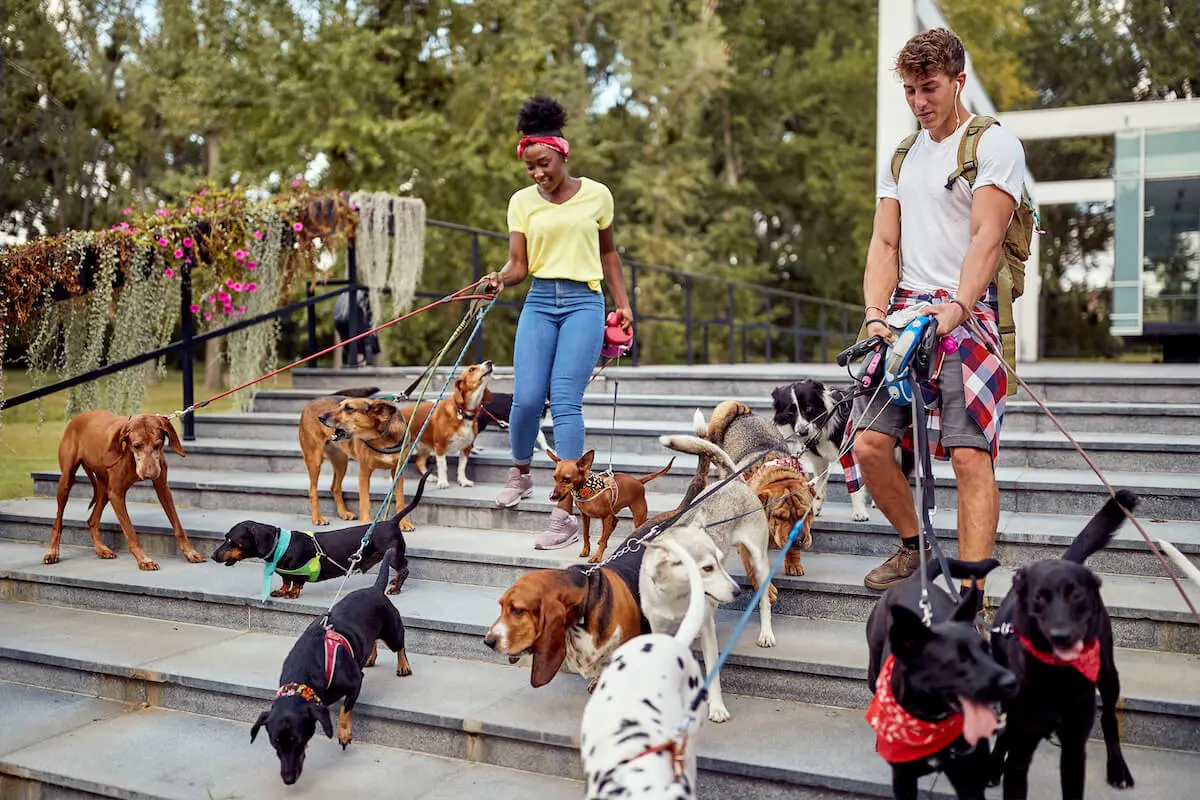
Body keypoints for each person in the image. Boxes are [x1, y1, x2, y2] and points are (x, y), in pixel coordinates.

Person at [849, 28, 1026, 594]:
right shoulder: (902, 157)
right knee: (870, 445)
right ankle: (914, 548)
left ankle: (972, 593)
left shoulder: (993, 144)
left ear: (958, 81)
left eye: (929, 88)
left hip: (967, 314)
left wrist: (958, 306)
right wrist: (876, 313)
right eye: (909, 91)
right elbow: (883, 244)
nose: (919, 102)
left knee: (970, 456)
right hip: (903, 314)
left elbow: (987, 237)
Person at [484, 95, 634, 550]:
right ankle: (522, 472)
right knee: (527, 400)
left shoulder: (597, 195)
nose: (537, 173)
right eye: (530, 167)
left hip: (583, 303)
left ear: (562, 154)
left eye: (543, 163)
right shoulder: (521, 203)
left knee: (565, 401)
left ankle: (566, 510)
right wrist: (497, 279)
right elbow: (518, 265)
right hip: (539, 301)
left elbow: (608, 252)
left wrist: (624, 304)